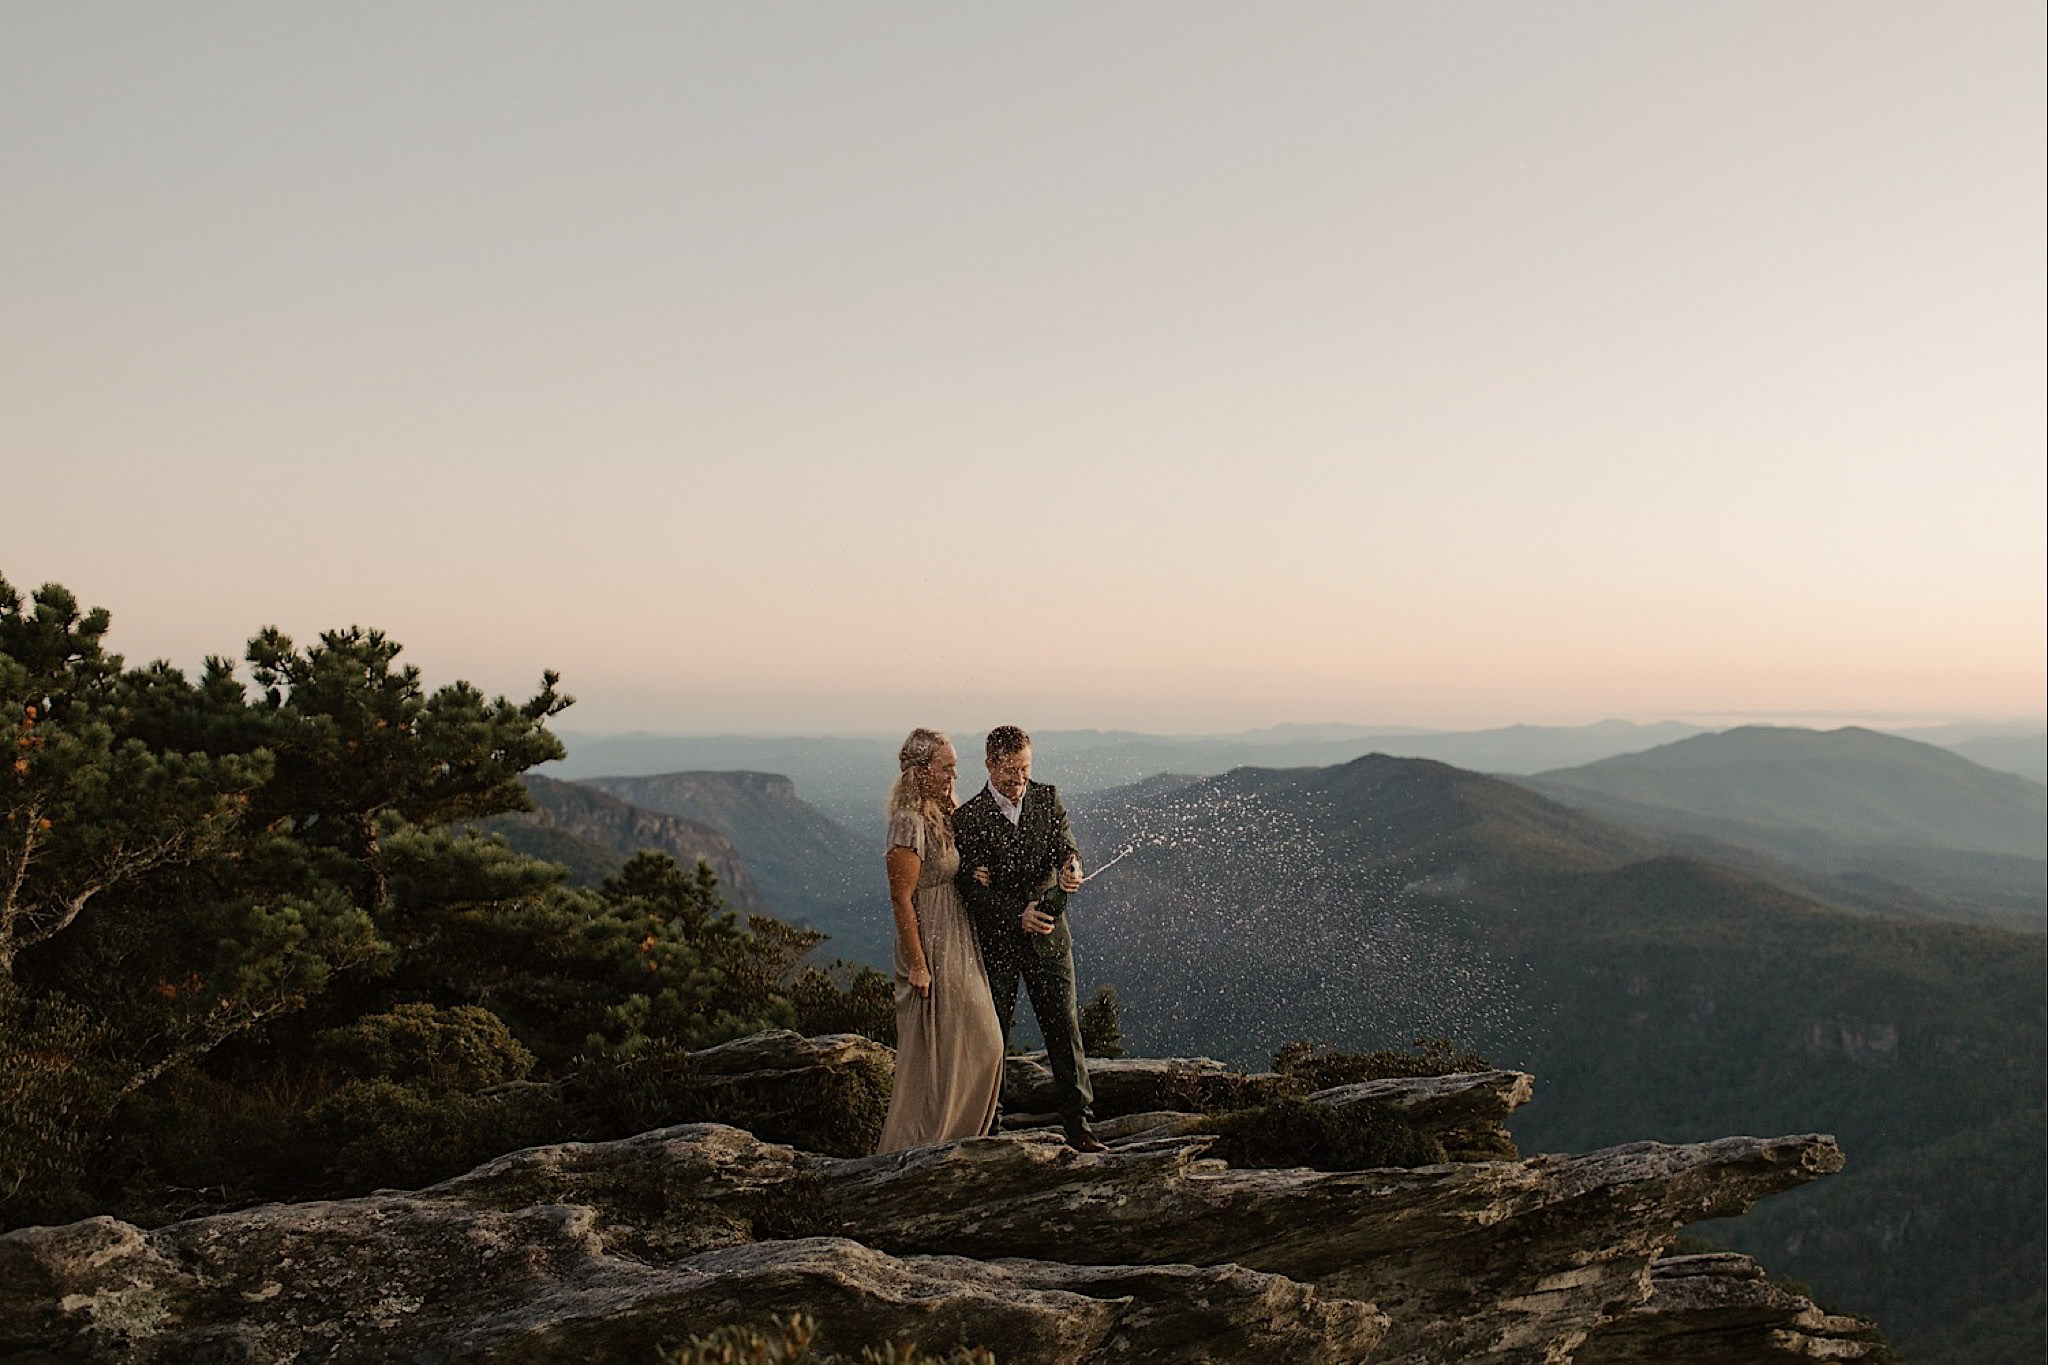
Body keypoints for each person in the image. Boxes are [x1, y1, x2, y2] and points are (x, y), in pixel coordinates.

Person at [953, 725, 1104, 1152]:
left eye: (1024, 768)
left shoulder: (1047, 797)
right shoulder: (969, 817)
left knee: (1063, 1029)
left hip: (1050, 940)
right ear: (988, 765)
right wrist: (1015, 915)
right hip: (998, 943)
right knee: (993, 1036)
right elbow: (971, 891)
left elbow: (1066, 848)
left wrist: (1071, 867)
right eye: (1008, 772)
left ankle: (1079, 1126)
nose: (1018, 780)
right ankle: (991, 1126)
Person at [874, 727, 1004, 1153]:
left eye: (953, 767)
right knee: (936, 1055)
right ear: (921, 771)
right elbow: (900, 898)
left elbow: (960, 862)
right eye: (945, 767)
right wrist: (917, 963)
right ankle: (920, 1148)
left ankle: (958, 1141)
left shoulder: (939, 811)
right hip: (930, 938)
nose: (953, 774)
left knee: (977, 1044)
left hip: (957, 935)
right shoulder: (908, 823)